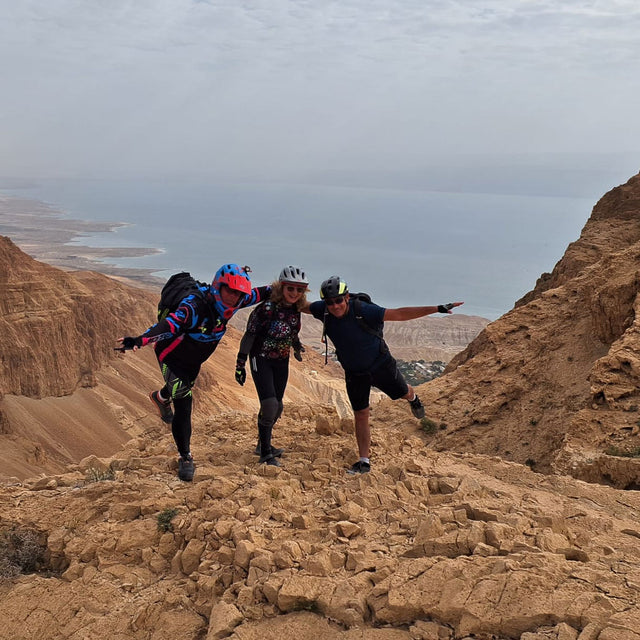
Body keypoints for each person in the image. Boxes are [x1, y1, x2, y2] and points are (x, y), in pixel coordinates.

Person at [116, 264, 270, 481]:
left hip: (193, 360)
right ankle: (185, 456)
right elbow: (168, 325)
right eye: (230, 291)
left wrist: (288, 290)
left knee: (182, 388)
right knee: (183, 402)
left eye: (238, 294)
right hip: (172, 356)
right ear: (218, 286)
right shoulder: (194, 307)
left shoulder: (235, 301)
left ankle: (160, 398)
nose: (233, 298)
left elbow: (261, 293)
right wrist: (139, 340)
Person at [303, 275, 463, 474]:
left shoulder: (364, 311)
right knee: (361, 413)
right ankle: (364, 461)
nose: (334, 306)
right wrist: (272, 292)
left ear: (347, 297)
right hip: (355, 372)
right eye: (330, 302)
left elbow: (400, 314)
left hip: (380, 365)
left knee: (403, 391)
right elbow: (300, 305)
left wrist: (437, 308)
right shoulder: (323, 311)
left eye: (338, 300)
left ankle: (413, 398)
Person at [234, 265, 308, 467]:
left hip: (281, 361)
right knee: (269, 404)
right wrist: (240, 363)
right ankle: (266, 453)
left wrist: (297, 347)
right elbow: (250, 334)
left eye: (299, 290)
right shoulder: (266, 309)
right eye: (290, 288)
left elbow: (292, 331)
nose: (294, 293)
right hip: (261, 358)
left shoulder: (295, 310)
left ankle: (262, 444)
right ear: (281, 287)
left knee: (278, 406)